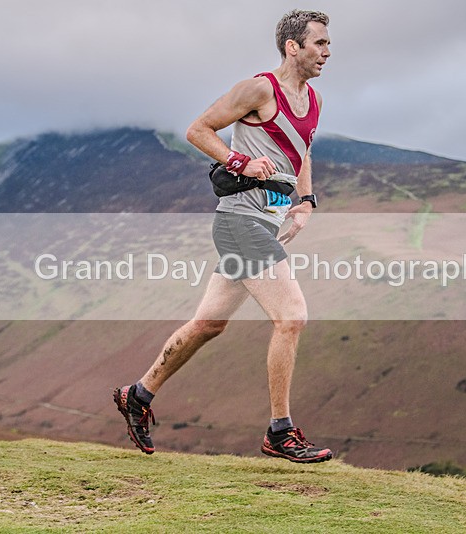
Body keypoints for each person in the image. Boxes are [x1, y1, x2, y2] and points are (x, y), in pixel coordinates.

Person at [114, 9, 332, 463]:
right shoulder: (258, 89)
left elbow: (303, 150)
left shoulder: (313, 100)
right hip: (239, 220)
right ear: (292, 47)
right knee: (291, 318)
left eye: (328, 45)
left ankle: (138, 394)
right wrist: (241, 162)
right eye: (318, 44)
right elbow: (198, 130)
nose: (326, 52)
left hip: (266, 222)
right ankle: (280, 431)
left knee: (209, 324)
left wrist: (306, 203)